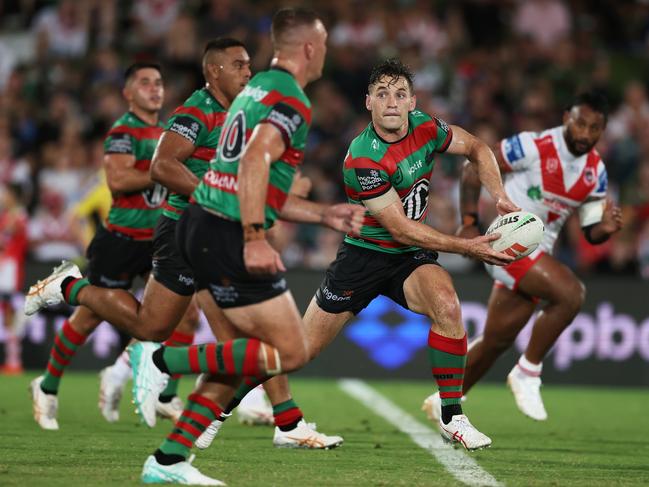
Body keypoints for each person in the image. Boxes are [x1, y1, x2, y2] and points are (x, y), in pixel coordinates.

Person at [198, 58, 520, 458]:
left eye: (400, 94)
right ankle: (215, 410)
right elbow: (399, 228)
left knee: (447, 305)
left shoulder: (425, 127)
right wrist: (470, 247)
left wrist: (500, 196)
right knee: (298, 352)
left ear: (412, 102)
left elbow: (476, 147)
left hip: (409, 259)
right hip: (363, 258)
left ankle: (451, 415)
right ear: (368, 102)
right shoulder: (362, 158)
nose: (391, 101)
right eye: (382, 93)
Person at [135, 8, 363, 484]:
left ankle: (169, 461)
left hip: (203, 220)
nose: (324, 52)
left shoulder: (252, 91)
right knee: (290, 352)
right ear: (308, 48)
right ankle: (164, 360)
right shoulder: (291, 99)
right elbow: (258, 156)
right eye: (322, 43)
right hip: (228, 231)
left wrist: (323, 213)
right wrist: (256, 236)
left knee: (248, 352)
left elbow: (246, 176)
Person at [422, 92, 623, 422]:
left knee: (497, 341)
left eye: (595, 128)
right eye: (581, 123)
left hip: (538, 253)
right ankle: (528, 371)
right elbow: (474, 169)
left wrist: (606, 228)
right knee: (571, 294)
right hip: (505, 242)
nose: (586, 134)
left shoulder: (595, 172)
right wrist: (470, 221)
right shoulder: (533, 146)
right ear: (566, 118)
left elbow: (591, 231)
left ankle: (446, 401)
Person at [28, 61, 168, 430]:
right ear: (128, 93)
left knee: (178, 311)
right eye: (144, 83)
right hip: (121, 241)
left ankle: (136, 381)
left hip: (157, 241)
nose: (154, 89)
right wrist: (165, 170)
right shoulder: (124, 131)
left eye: (158, 83)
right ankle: (47, 385)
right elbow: (119, 179)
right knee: (89, 317)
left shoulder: (169, 132)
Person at [0, 183, 28, 374]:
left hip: (11, 269)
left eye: (5, 194)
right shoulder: (7, 217)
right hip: (4, 267)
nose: (2, 198)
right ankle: (12, 359)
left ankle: (14, 360)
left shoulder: (19, 216)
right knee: (7, 314)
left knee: (11, 312)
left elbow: (8, 238)